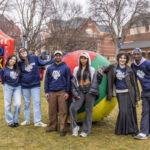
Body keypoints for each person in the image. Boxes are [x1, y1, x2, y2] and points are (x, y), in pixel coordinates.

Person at [101, 52, 140, 136]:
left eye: (124, 58)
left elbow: (134, 84)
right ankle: (121, 129)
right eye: (121, 58)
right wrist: (100, 72)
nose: (122, 59)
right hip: (119, 93)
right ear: (118, 58)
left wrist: (137, 95)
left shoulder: (129, 70)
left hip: (129, 92)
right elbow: (103, 69)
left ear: (126, 60)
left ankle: (133, 130)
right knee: (123, 111)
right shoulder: (113, 67)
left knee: (130, 110)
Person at [69, 52, 103, 137]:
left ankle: (86, 130)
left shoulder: (92, 69)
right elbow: (73, 83)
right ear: (79, 59)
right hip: (80, 90)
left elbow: (97, 82)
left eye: (85, 58)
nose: (83, 60)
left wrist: (99, 74)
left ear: (87, 60)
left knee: (89, 110)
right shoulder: (76, 69)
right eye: (81, 58)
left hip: (90, 91)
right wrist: (76, 93)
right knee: (73, 108)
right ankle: (74, 127)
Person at [18, 47, 51, 127]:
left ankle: (37, 121)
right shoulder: (19, 62)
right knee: (26, 103)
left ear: (26, 51)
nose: (23, 53)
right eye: (21, 52)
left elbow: (43, 63)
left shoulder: (34, 58)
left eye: (24, 51)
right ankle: (27, 120)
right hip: (25, 86)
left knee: (37, 102)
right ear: (20, 54)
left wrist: (52, 60)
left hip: (35, 85)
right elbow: (18, 73)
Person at [44, 50, 71, 136]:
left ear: (62, 57)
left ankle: (63, 129)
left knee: (63, 111)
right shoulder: (50, 68)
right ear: (54, 57)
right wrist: (46, 91)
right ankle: (52, 126)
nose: (58, 57)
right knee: (52, 110)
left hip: (62, 91)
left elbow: (68, 81)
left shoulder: (66, 67)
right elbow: (46, 80)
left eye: (59, 55)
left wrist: (67, 92)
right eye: (56, 55)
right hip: (52, 91)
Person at [131, 48, 150, 140]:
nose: (136, 56)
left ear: (141, 55)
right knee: (145, 112)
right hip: (145, 92)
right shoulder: (133, 66)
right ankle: (144, 132)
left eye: (138, 54)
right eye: (134, 54)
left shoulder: (147, 63)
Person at [0, 55, 21, 127]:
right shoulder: (3, 70)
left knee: (18, 104)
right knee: (7, 105)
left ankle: (16, 120)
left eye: (15, 60)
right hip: (7, 87)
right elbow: (2, 80)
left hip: (17, 87)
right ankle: (10, 122)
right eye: (12, 59)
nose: (13, 61)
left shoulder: (18, 68)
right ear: (8, 60)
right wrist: (4, 86)